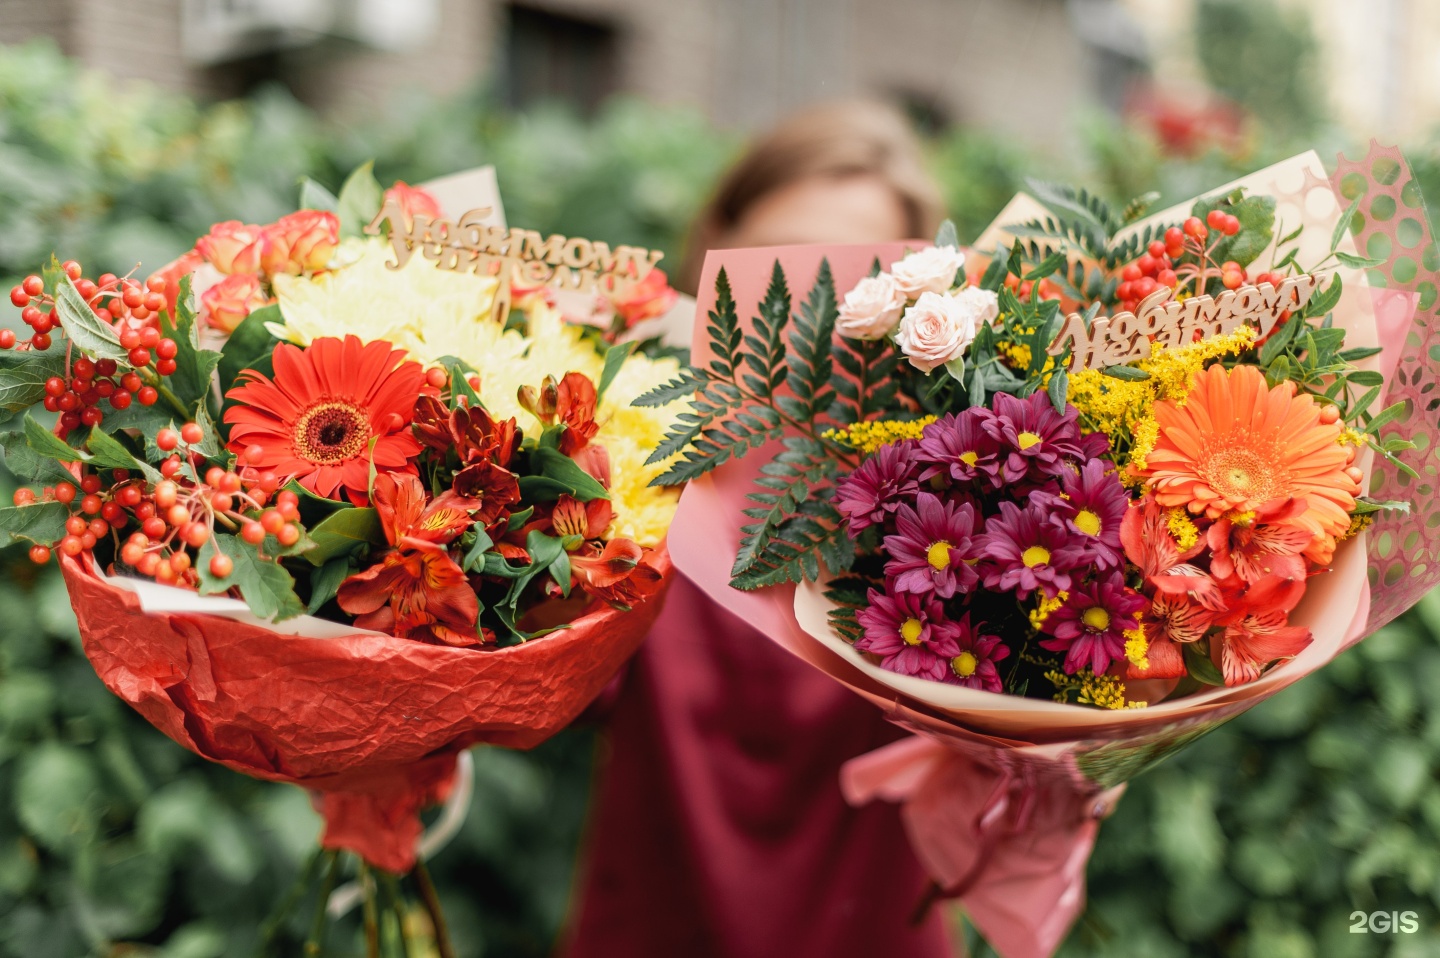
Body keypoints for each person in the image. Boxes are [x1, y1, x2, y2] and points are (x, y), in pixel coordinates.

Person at [562, 100, 951, 958]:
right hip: (656, 916)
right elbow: (542, 678)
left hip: (875, 924)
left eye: (855, 281)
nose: (808, 308)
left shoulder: (964, 478)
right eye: (777, 266)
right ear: (716, 252)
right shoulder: (626, 439)